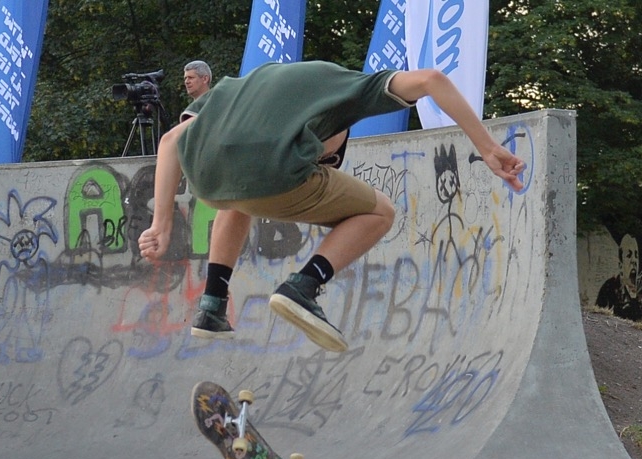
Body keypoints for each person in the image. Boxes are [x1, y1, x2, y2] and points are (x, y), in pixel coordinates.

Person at [138, 61, 525, 352]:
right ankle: (303, 286)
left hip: (210, 179)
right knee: (380, 211)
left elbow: (171, 141)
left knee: (241, 200)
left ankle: (212, 303)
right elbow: (432, 80)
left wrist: (162, 225)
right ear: (335, 135)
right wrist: (488, 148)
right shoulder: (348, 89)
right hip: (275, 174)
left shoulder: (236, 89)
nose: (322, 164)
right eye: (327, 159)